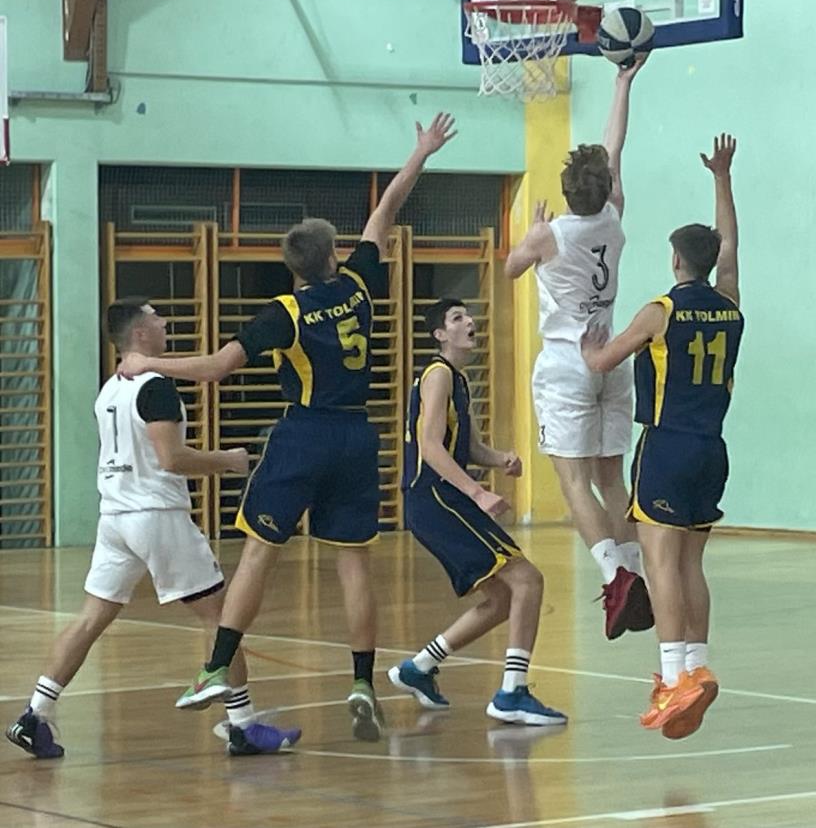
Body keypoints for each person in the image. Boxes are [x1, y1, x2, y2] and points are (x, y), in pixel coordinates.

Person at [119, 113, 457, 743]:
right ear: (333, 255)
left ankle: (217, 666)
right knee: (354, 564)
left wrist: (149, 362)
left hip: (303, 435)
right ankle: (362, 682)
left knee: (259, 551)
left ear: (293, 267)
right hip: (358, 437)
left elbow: (217, 368)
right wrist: (421, 152)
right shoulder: (360, 286)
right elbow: (386, 209)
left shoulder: (286, 310)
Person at [5, 298, 296, 760]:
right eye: (156, 318)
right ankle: (242, 725)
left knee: (90, 619)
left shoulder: (109, 390)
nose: (165, 322)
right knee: (223, 619)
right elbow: (171, 459)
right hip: (156, 516)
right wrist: (228, 460)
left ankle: (34, 714)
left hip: (115, 519)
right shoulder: (156, 387)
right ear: (140, 334)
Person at [582, 134, 743, 739]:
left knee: (660, 563)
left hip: (667, 446)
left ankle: (674, 676)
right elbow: (731, 249)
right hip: (712, 449)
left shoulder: (660, 310)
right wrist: (722, 178)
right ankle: (696, 667)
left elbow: (604, 361)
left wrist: (588, 350)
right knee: (692, 562)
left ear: (676, 261)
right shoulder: (729, 303)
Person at [505, 59, 652, 639]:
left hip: (567, 361)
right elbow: (616, 146)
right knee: (611, 478)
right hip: (611, 356)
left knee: (573, 481)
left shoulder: (550, 234)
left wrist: (531, 234)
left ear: (566, 191)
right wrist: (623, 82)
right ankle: (635, 573)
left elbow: (511, 267)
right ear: (607, 188)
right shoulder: (614, 218)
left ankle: (615, 576)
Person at [388, 299, 567, 726]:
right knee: (527, 580)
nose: (469, 320)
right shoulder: (437, 375)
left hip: (440, 498)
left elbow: (465, 447)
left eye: (468, 315)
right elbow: (430, 447)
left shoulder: (458, 379)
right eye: (457, 317)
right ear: (439, 334)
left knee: (504, 596)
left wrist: (499, 458)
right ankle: (512, 693)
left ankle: (419, 668)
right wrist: (477, 492)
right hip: (435, 497)